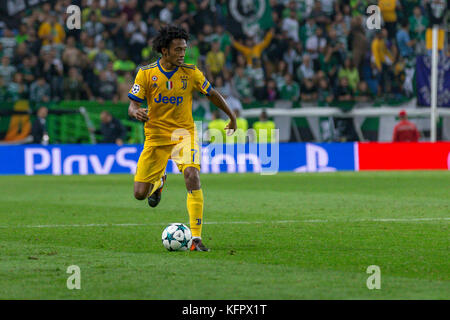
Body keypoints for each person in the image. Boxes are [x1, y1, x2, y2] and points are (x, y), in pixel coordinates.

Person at [127, 25, 237, 252]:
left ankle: (195, 238)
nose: (182, 53)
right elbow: (132, 105)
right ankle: (158, 182)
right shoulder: (146, 73)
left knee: (192, 174)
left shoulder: (191, 72)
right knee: (139, 194)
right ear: (164, 51)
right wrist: (135, 112)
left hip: (183, 135)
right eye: (177, 49)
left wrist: (231, 115)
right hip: (156, 137)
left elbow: (212, 94)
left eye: (184, 49)